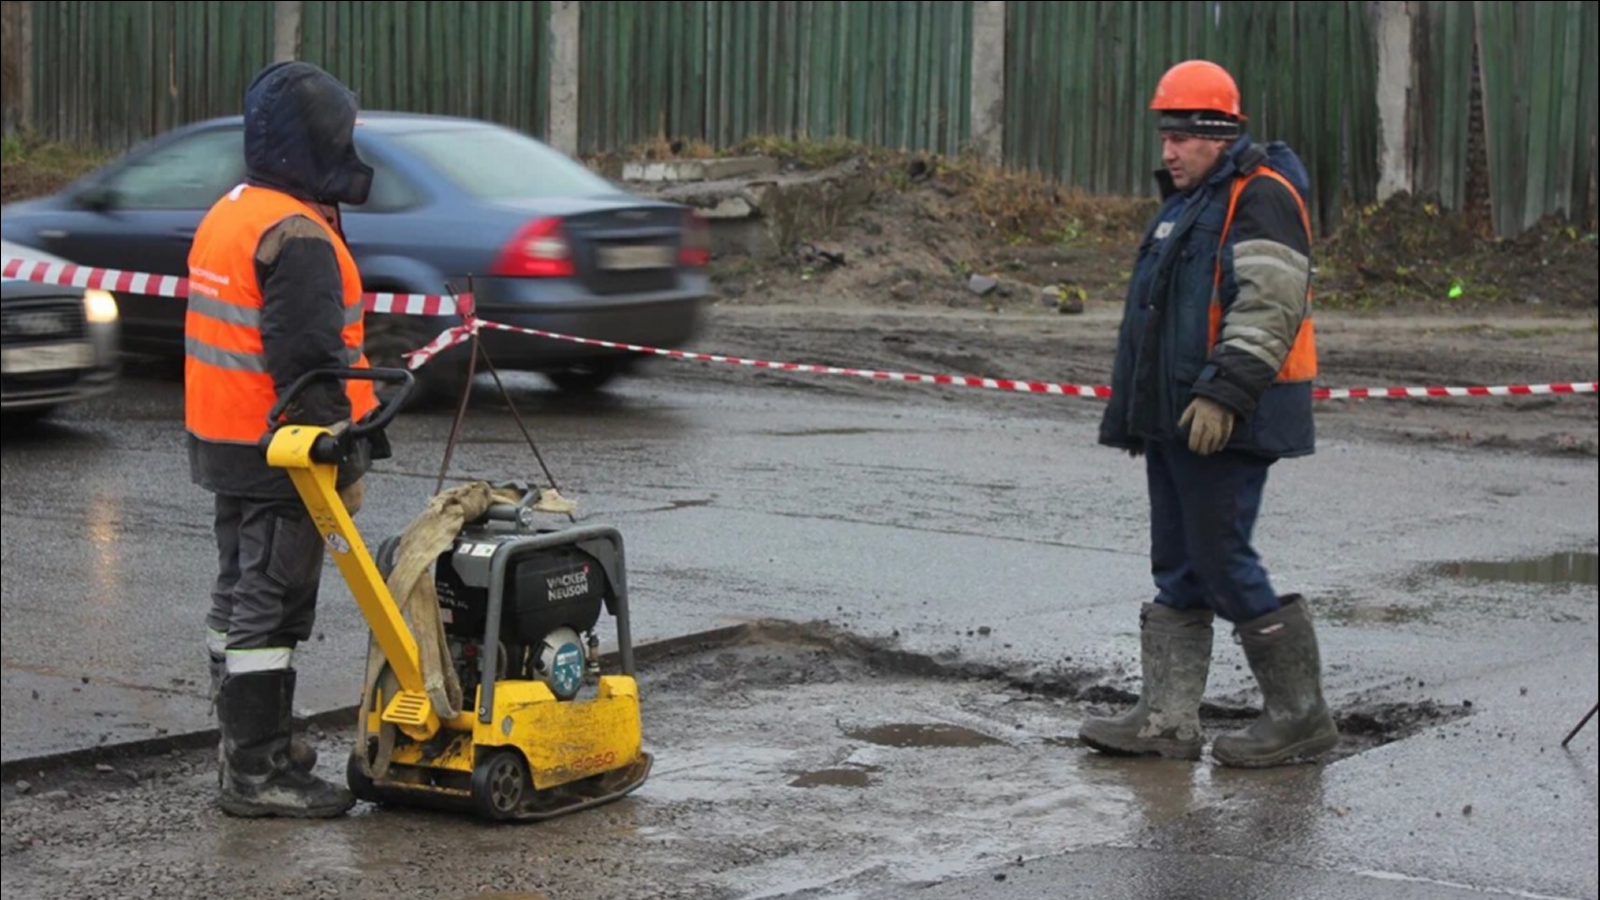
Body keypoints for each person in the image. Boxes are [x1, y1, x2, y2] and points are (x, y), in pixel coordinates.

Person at [1080, 59, 1339, 768]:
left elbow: (1270, 303)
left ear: (1220, 134)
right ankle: (1166, 721)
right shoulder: (1186, 202)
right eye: (1165, 135)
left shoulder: (1262, 196)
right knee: (1180, 565)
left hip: (1232, 414)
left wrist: (1224, 392)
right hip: (1173, 414)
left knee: (1222, 559)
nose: (1168, 150)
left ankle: (1301, 717)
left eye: (1183, 137)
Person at [186, 60, 388, 817]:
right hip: (285, 453)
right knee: (271, 606)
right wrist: (343, 458)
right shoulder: (296, 234)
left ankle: (249, 740)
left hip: (225, 438)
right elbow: (309, 369)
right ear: (314, 141)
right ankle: (258, 769)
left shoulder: (233, 211)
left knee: (237, 591)